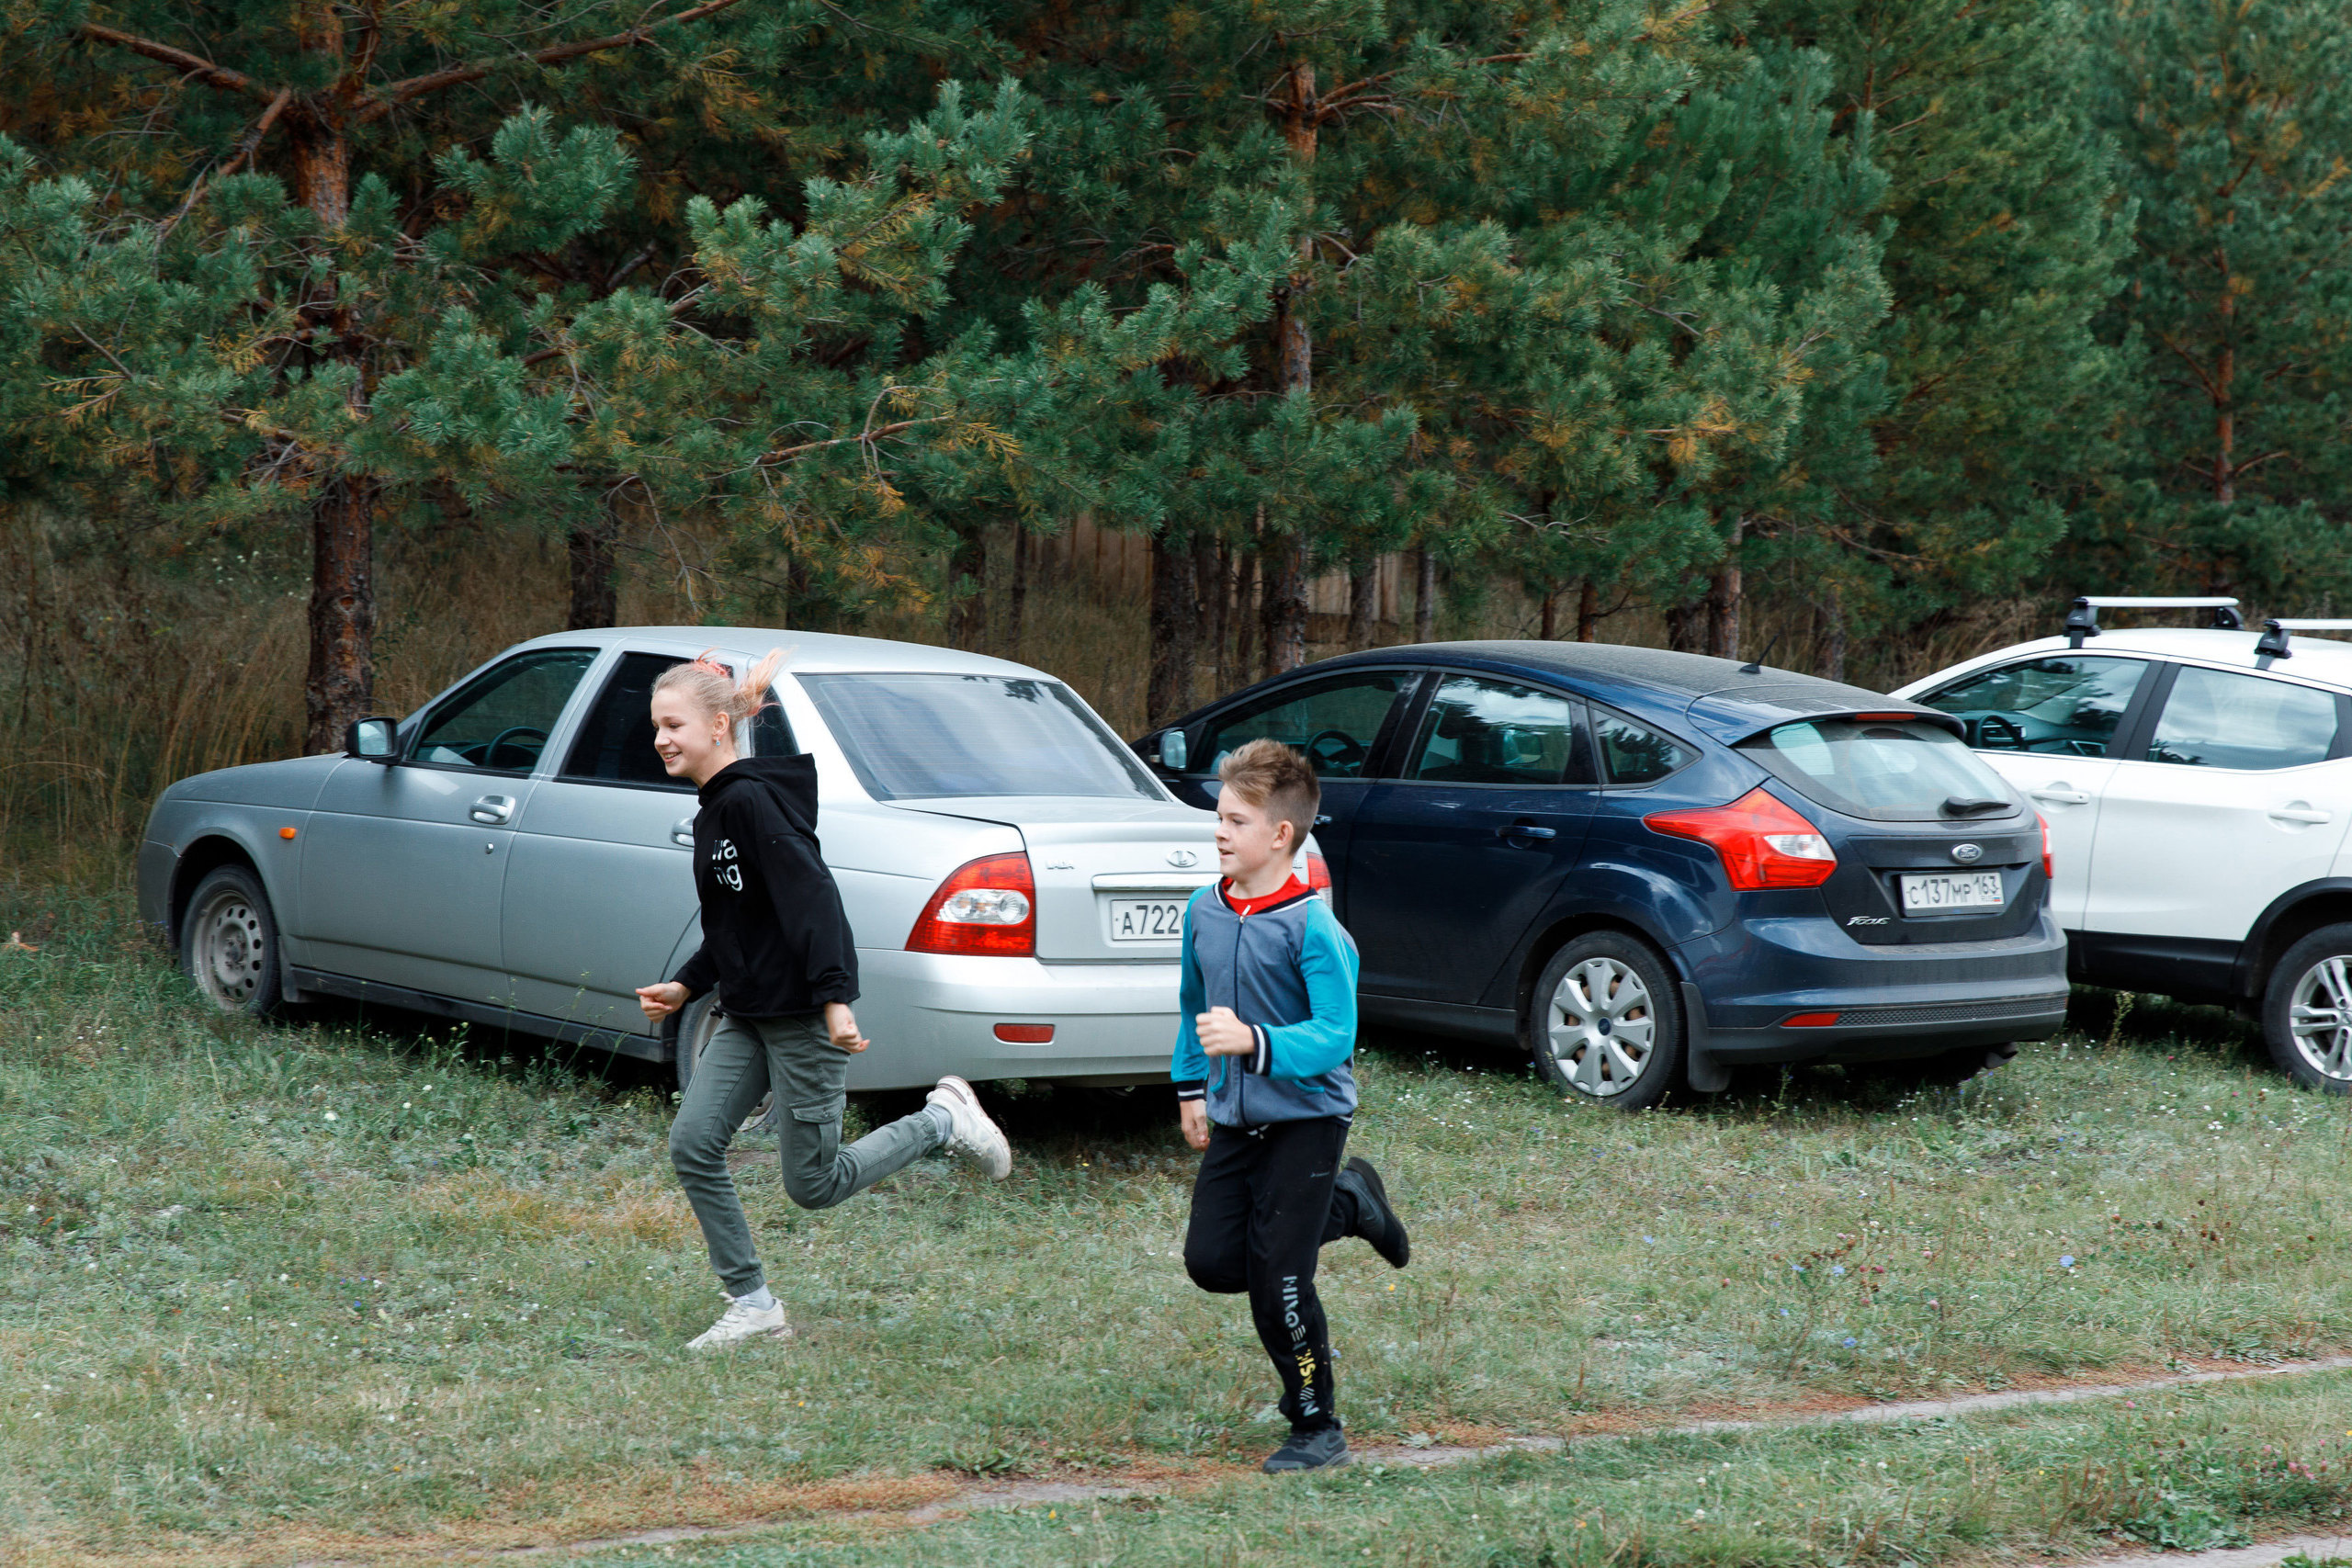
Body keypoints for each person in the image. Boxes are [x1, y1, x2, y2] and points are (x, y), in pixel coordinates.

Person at [636, 649, 1012, 1352]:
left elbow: (814, 899)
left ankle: (940, 1119)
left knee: (814, 1182)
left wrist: (835, 998)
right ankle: (753, 1304)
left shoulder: (750, 801)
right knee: (694, 1143)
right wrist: (688, 981)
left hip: (803, 1014)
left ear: (719, 726)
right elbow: (737, 920)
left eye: (673, 724)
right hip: (749, 1014)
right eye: (656, 725)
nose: (660, 738)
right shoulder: (717, 806)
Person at [1173, 739, 1411, 1473]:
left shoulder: (1314, 927)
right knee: (1213, 1260)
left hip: (1308, 1119)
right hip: (1239, 1117)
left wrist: (1254, 1041)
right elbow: (1191, 1006)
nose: (1219, 831)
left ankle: (1317, 1424)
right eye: (1219, 815)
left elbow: (1336, 1036)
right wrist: (1190, 1087)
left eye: (1237, 820)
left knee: (1281, 1276)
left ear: (1280, 834)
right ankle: (1352, 1203)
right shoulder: (1203, 911)